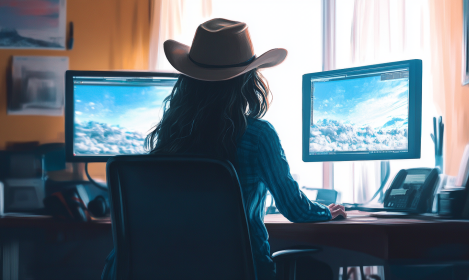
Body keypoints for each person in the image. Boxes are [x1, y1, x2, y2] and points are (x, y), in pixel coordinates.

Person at [102, 18, 347, 280]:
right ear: (247, 81)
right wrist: (325, 211)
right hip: (240, 271)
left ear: (189, 80)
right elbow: (295, 209)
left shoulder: (170, 134)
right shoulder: (258, 136)